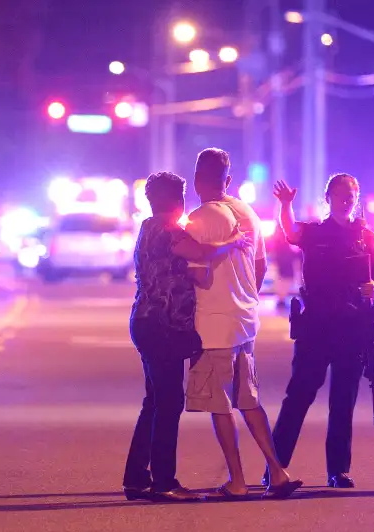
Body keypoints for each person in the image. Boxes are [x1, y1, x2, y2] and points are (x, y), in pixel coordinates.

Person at [124, 171, 250, 503]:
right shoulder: (171, 233)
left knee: (153, 402)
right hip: (163, 328)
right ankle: (163, 482)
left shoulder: (147, 228)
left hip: (145, 322)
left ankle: (136, 478)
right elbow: (205, 252)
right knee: (168, 404)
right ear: (178, 201)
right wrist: (234, 242)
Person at [184, 148, 302, 500]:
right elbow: (261, 266)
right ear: (228, 180)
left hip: (213, 323)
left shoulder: (199, 218)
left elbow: (197, 275)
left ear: (195, 181)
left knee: (220, 405)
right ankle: (277, 472)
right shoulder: (248, 214)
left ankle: (237, 480)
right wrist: (244, 292)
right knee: (249, 400)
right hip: (245, 320)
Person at [267, 173, 374, 489]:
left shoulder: (367, 237)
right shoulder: (316, 232)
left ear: (357, 196)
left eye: (351, 192)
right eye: (339, 193)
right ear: (328, 197)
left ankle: (338, 470)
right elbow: (291, 232)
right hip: (316, 326)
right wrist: (285, 205)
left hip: (353, 328)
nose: (346, 198)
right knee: (299, 396)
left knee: (343, 400)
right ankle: (274, 467)